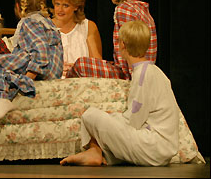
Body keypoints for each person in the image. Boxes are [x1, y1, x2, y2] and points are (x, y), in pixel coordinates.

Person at [60, 20, 179, 166]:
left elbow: (134, 120)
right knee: (109, 123)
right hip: (160, 147)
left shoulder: (143, 75)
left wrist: (108, 120)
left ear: (122, 45)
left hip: (153, 146)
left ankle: (94, 151)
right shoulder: (154, 71)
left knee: (90, 115)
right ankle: (96, 153)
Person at [66, 0, 157, 80]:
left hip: (129, 72)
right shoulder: (142, 8)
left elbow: (129, 45)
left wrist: (132, 78)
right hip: (140, 69)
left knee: (81, 64)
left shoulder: (124, 9)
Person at [51, 0, 102, 78]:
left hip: (82, 83)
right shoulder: (45, 27)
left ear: (76, 7)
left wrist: (77, 68)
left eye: (65, 5)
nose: (60, 9)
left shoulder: (88, 26)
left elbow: (97, 65)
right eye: (57, 4)